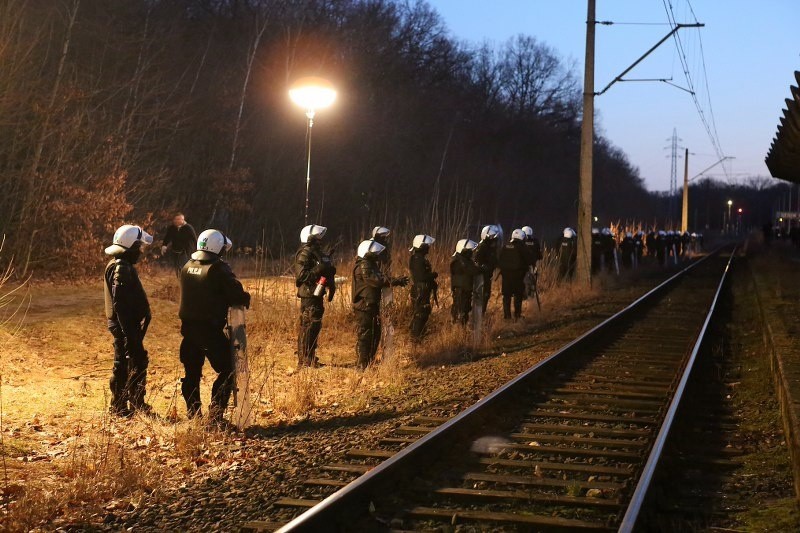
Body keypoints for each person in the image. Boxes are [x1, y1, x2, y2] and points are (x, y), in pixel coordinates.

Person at [179, 229, 250, 423]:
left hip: (188, 330)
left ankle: (193, 415)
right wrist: (245, 298)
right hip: (209, 330)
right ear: (217, 247)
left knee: (191, 373)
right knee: (228, 369)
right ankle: (216, 416)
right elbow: (235, 293)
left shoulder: (188, 266)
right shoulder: (218, 268)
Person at [104, 224, 154, 417]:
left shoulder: (121, 265)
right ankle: (119, 406)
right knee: (125, 364)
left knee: (135, 361)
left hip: (127, 327)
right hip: (125, 327)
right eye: (139, 247)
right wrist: (130, 335)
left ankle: (134, 402)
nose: (141, 251)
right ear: (131, 246)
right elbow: (121, 305)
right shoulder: (121, 268)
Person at [352, 240, 408, 369]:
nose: (376, 254)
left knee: (374, 334)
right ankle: (362, 365)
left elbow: (379, 278)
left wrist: (393, 280)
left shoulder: (370, 264)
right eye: (374, 252)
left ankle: (369, 363)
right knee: (365, 336)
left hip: (370, 304)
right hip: (364, 306)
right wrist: (395, 281)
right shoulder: (364, 265)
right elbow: (376, 281)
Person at [294, 224, 336, 368]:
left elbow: (325, 270)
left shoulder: (317, 253)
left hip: (317, 294)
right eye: (317, 237)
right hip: (309, 295)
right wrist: (319, 269)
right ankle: (305, 360)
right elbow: (302, 275)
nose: (320, 240)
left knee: (314, 326)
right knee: (308, 326)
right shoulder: (305, 253)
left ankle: (310, 357)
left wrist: (330, 276)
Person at [408, 234, 437, 341]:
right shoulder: (417, 259)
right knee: (420, 314)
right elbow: (421, 276)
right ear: (422, 246)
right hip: (420, 290)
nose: (429, 248)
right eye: (427, 245)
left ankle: (419, 337)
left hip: (423, 289)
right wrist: (432, 275)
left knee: (423, 313)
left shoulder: (419, 258)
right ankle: (415, 339)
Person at [498, 229, 529, 320]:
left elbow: (499, 260)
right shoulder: (522, 247)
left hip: (506, 276)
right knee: (518, 296)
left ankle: (507, 317)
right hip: (518, 276)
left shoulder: (505, 246)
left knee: (506, 296)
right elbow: (529, 259)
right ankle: (517, 315)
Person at [450, 239, 480, 325]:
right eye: (470, 251)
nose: (472, 253)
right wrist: (482, 269)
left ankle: (460, 329)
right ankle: (458, 331)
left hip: (464, 290)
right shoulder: (460, 262)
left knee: (464, 310)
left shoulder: (463, 261)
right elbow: (473, 271)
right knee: (461, 311)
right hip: (461, 291)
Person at [475, 224, 500, 312]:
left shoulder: (490, 247)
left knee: (486, 295)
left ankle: (482, 313)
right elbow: (477, 261)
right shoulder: (482, 247)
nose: (494, 239)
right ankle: (479, 314)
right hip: (482, 277)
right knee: (483, 295)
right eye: (493, 236)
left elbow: (494, 260)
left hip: (487, 275)